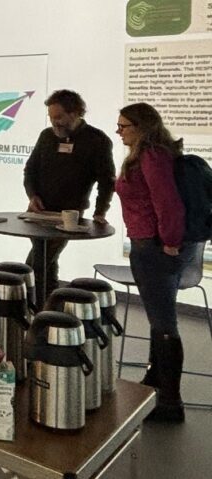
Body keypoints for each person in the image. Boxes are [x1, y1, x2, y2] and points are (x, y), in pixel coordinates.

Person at [115, 103, 197, 423]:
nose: (119, 131)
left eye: (124, 126)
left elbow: (168, 203)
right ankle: (155, 384)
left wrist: (172, 243)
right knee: (158, 319)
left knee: (164, 324)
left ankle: (170, 402)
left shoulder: (151, 155)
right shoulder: (150, 153)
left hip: (154, 248)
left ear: (142, 127)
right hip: (151, 245)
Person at [23, 90, 115, 300]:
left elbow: (107, 181)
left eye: (59, 117)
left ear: (75, 113)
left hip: (69, 214)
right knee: (46, 261)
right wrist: (32, 195)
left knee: (38, 263)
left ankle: (38, 309)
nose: (54, 122)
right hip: (39, 211)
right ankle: (49, 307)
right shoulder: (46, 136)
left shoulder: (97, 140)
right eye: (51, 117)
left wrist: (101, 211)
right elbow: (30, 169)